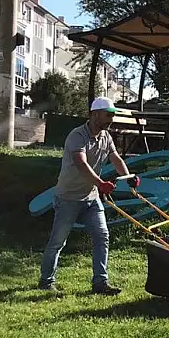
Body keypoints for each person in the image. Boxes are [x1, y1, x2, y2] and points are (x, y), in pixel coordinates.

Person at [38, 96, 140, 295]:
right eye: (108, 114)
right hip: (68, 198)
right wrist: (100, 183)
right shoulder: (77, 135)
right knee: (58, 242)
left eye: (112, 115)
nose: (111, 119)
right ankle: (46, 281)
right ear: (94, 114)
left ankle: (100, 283)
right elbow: (81, 163)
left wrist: (128, 176)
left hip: (91, 198)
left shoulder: (106, 137)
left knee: (102, 236)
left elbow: (115, 158)